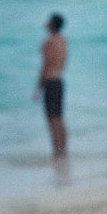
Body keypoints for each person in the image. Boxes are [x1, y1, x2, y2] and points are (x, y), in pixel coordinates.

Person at [34, 12, 68, 159]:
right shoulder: (64, 42)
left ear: (52, 24)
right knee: (59, 118)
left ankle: (56, 152)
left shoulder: (49, 42)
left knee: (51, 119)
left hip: (50, 81)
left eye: (48, 21)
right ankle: (64, 150)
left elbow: (45, 66)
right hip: (60, 80)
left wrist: (38, 88)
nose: (46, 23)